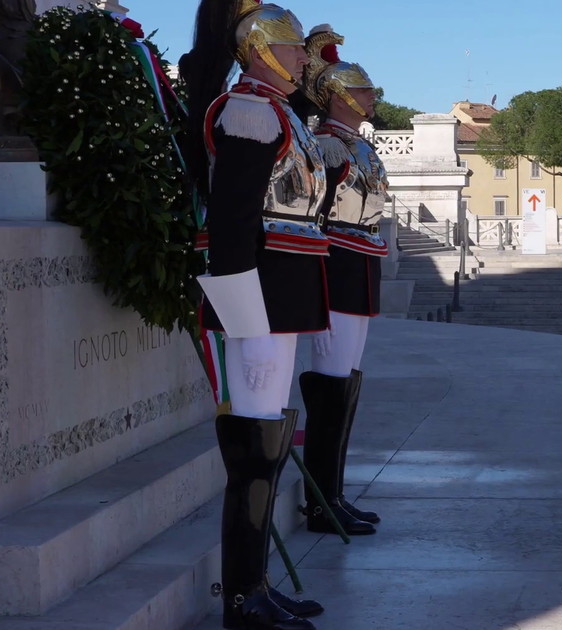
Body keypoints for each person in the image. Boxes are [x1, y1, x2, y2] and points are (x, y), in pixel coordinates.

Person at [181, 2, 328, 628]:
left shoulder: (277, 112)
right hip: (259, 290)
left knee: (266, 440)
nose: (303, 58)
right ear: (263, 48)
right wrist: (239, 305)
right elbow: (234, 215)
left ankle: (257, 584)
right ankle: (243, 598)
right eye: (294, 48)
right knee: (254, 448)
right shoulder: (249, 110)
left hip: (283, 288)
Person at [295, 26, 387, 536]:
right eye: (364, 89)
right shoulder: (328, 146)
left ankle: (333, 492)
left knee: (346, 383)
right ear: (339, 95)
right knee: (330, 384)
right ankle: (319, 500)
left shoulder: (355, 145)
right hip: (337, 264)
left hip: (360, 263)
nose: (373, 97)